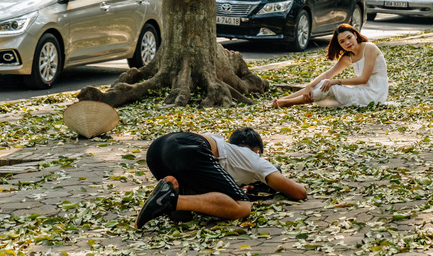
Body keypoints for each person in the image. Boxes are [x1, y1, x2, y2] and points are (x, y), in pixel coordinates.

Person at [134, 127, 307, 229]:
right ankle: (170, 200)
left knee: (184, 217)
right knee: (243, 207)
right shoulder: (255, 159)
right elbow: (299, 193)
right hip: (187, 149)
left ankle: (174, 190)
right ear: (257, 151)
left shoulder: (225, 148)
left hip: (157, 150)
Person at [266, 23, 388, 108]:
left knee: (330, 86)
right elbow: (327, 74)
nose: (347, 42)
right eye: (342, 42)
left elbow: (364, 79)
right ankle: (283, 100)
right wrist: (309, 85)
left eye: (349, 37)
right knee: (323, 83)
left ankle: (287, 103)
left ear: (355, 35)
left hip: (374, 94)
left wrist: (336, 81)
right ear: (339, 45)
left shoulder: (369, 48)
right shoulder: (348, 57)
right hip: (361, 91)